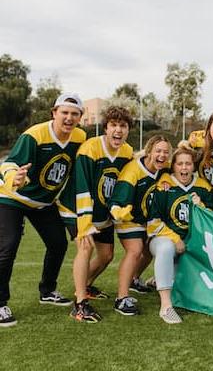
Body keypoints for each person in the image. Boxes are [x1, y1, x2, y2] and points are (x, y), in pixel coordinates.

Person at [0, 93, 85, 327]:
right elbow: (9, 163)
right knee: (7, 246)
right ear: (54, 113)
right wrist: (13, 176)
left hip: (43, 202)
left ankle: (47, 291)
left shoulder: (80, 137)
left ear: (80, 117)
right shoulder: (34, 135)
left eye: (74, 113)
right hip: (12, 197)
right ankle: (0, 303)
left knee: (58, 243)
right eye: (64, 112)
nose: (69, 118)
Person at [70, 106, 133, 323]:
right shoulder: (90, 148)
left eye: (123, 126)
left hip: (103, 212)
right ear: (105, 128)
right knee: (85, 248)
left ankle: (84, 286)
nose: (118, 130)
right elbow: (83, 186)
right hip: (78, 209)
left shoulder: (127, 152)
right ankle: (79, 304)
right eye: (114, 125)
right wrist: (84, 224)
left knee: (106, 256)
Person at [147, 147, 213, 324]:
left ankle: (159, 278)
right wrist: (175, 238)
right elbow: (153, 221)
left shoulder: (203, 186)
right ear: (174, 166)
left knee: (185, 291)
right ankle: (166, 306)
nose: (184, 168)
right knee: (166, 247)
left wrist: (201, 207)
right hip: (164, 239)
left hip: (191, 244)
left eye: (188, 163)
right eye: (180, 164)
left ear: (194, 166)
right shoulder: (164, 185)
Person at [108, 135, 171, 316]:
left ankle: (134, 279)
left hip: (147, 220)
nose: (162, 155)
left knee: (149, 251)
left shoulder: (164, 167)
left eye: (166, 152)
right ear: (149, 151)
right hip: (127, 218)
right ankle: (121, 298)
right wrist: (119, 211)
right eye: (158, 151)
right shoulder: (133, 170)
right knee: (135, 250)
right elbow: (117, 201)